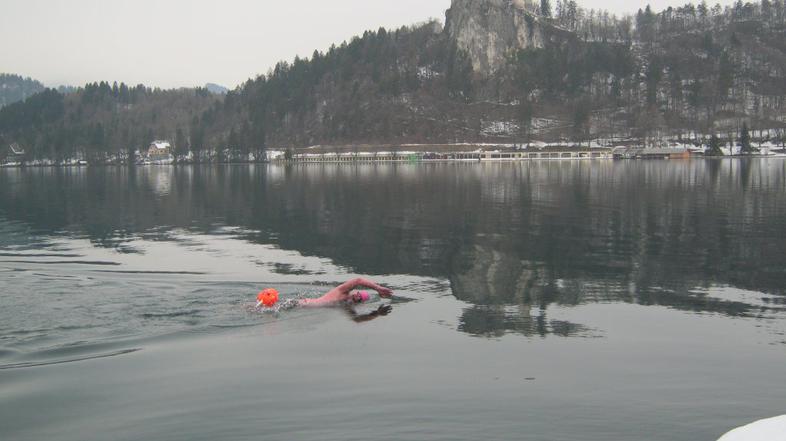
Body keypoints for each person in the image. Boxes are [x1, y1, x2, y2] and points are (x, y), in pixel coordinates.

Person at [299, 277, 394, 322]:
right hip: (302, 304)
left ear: (359, 303)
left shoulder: (347, 307)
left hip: (303, 309)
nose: (357, 297)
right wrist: (377, 288)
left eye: (359, 299)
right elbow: (358, 281)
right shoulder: (342, 292)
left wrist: (377, 314)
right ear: (355, 292)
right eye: (358, 294)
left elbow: (357, 320)